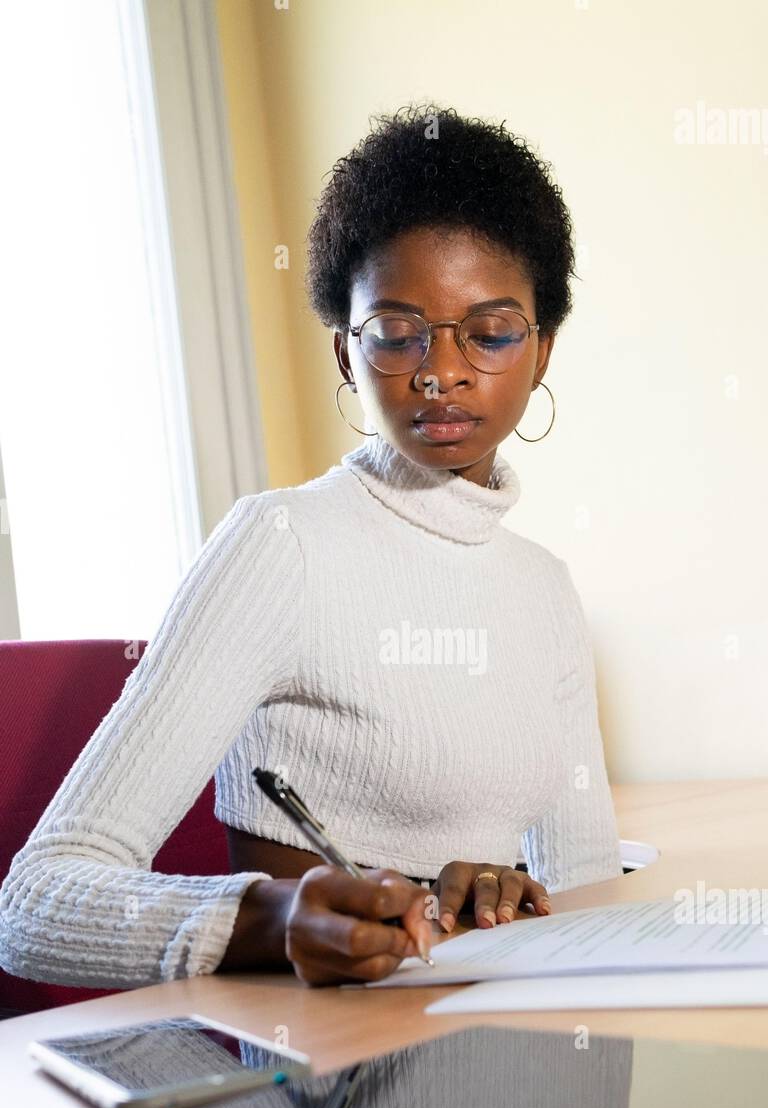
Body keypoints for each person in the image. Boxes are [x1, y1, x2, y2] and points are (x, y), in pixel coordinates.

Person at [0, 105, 621, 990]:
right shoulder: (281, 545)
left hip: (496, 1045)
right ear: (344, 353)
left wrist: (510, 900)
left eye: (488, 332)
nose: (441, 371)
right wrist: (274, 916)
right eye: (397, 333)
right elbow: (34, 906)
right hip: (324, 1077)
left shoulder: (544, 588)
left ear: (542, 349)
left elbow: (586, 893)